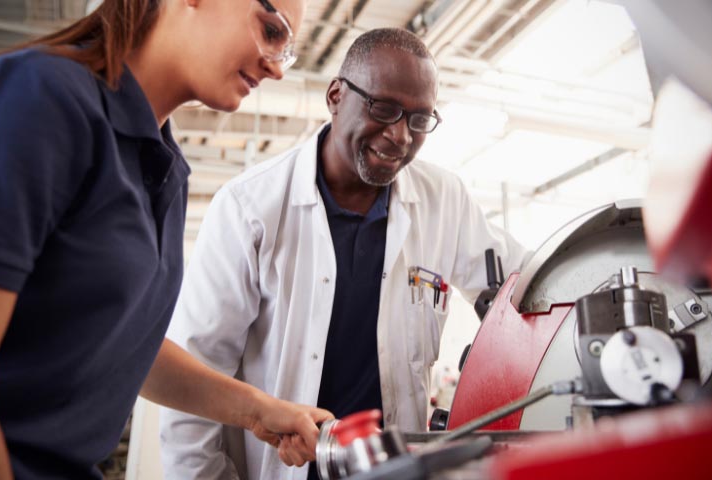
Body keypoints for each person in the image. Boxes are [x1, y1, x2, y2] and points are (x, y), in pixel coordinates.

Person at [0, 1, 333, 479]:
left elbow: (130, 347)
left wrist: (258, 410)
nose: (275, 67)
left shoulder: (164, 167)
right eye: (270, 30)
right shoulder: (40, 97)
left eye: (285, 50)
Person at [160, 27, 527, 480]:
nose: (400, 136)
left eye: (418, 120)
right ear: (336, 95)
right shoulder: (249, 209)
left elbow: (526, 283)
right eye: (384, 108)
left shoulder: (443, 200)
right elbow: (195, 379)